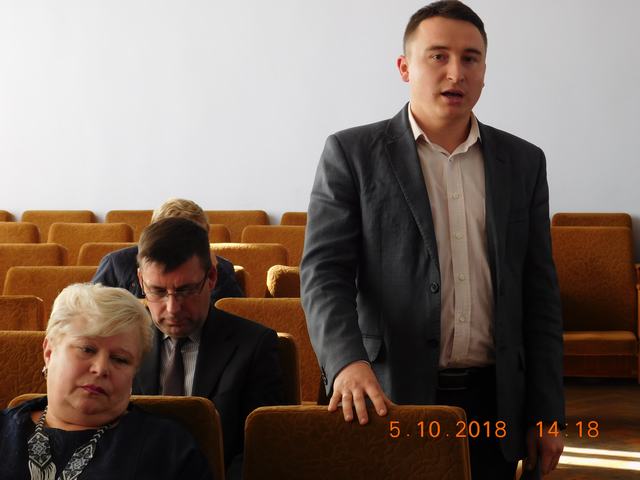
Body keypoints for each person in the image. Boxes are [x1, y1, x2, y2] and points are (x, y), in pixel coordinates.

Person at [300, 1, 564, 478]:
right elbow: (323, 274)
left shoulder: (524, 162)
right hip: (386, 394)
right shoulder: (352, 154)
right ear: (405, 67)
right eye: (438, 56)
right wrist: (345, 362)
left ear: (484, 70)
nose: (455, 72)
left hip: (496, 401)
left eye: (470, 58)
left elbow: (539, 293)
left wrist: (547, 410)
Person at [0, 283, 213, 480]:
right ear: (49, 352)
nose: (101, 368)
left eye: (120, 359)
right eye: (87, 349)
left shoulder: (168, 449)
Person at [132, 216, 283, 479]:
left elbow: (259, 452)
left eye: (186, 290)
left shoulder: (255, 346)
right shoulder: (120, 342)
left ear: (211, 277)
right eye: (157, 291)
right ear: (141, 281)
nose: (172, 308)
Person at [93, 198, 244, 301]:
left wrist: (214, 269)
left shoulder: (222, 267)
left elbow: (234, 319)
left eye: (195, 238)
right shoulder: (117, 263)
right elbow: (92, 312)